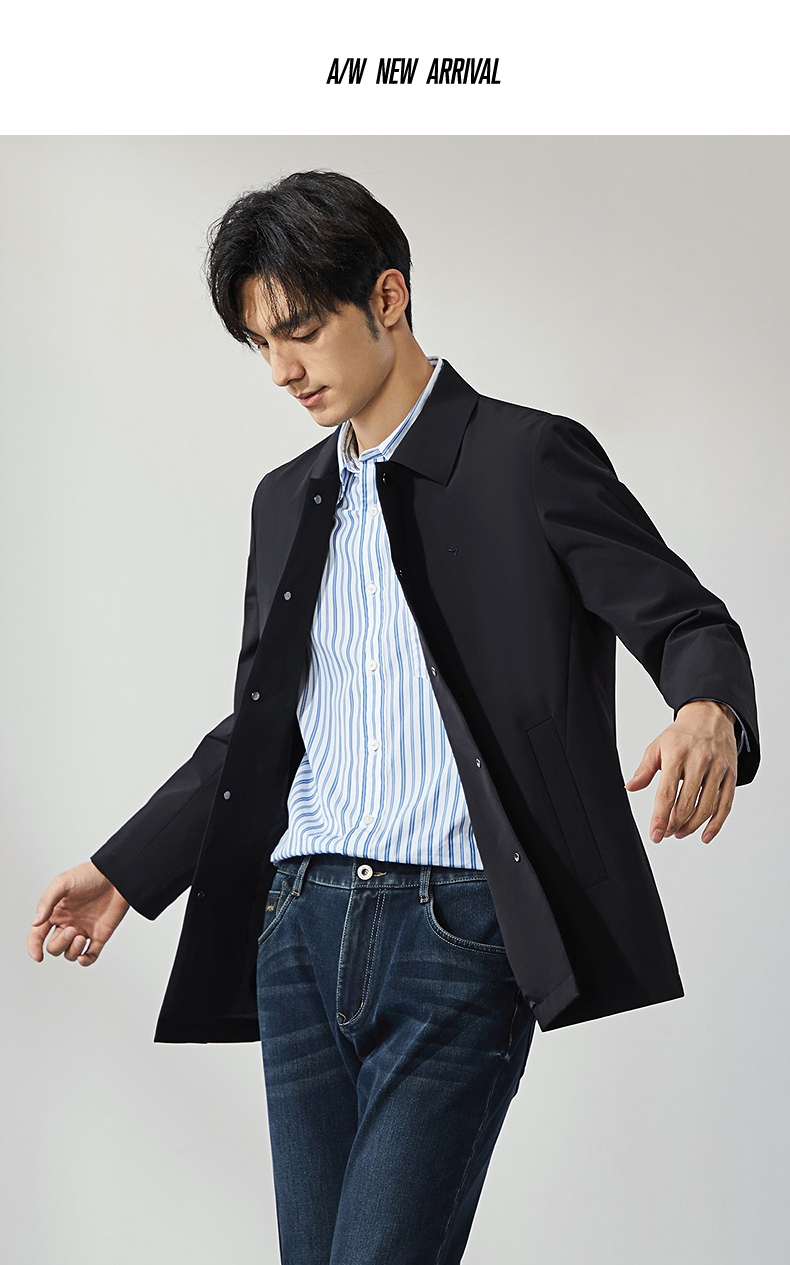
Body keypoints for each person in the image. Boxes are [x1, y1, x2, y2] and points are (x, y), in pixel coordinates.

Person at [28, 170, 760, 1264]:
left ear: (387, 296)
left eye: (300, 332)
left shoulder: (527, 458)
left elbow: (684, 616)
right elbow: (262, 729)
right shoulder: (285, 498)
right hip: (296, 925)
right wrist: (126, 872)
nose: (282, 371)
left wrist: (709, 707)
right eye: (260, 345)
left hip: (455, 929)